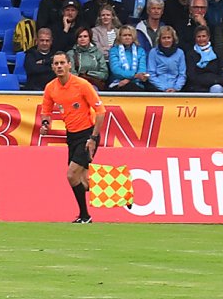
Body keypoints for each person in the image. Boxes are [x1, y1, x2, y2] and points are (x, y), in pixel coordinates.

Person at [40, 52, 108, 224]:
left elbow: (101, 112)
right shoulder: (51, 88)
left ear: (70, 65)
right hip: (72, 136)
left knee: (71, 175)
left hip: (87, 134)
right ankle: (120, 191)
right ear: (52, 67)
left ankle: (85, 216)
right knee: (83, 181)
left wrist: (93, 138)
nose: (59, 66)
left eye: (62, 63)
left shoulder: (82, 85)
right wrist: (45, 125)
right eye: (56, 64)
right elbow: (46, 111)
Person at [185, 26, 223, 92]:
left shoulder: (217, 52)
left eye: (203, 36)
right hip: (197, 87)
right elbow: (191, 75)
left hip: (215, 84)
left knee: (217, 88)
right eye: (199, 36)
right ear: (195, 38)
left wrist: (216, 81)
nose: (201, 39)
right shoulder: (190, 54)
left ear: (208, 37)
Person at [108, 25, 149, 90]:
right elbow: (116, 70)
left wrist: (128, 80)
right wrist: (134, 76)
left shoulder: (140, 51)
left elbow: (142, 70)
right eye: (124, 35)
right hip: (118, 83)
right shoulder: (114, 50)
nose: (127, 37)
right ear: (120, 37)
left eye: (130, 35)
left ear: (134, 37)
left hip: (137, 84)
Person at [148, 26, 187, 92]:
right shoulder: (153, 52)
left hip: (176, 90)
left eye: (169, 38)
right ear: (159, 39)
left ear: (173, 39)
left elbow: (182, 74)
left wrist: (176, 88)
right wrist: (164, 88)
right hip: (157, 89)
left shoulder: (180, 53)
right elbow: (151, 74)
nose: (166, 40)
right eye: (164, 38)